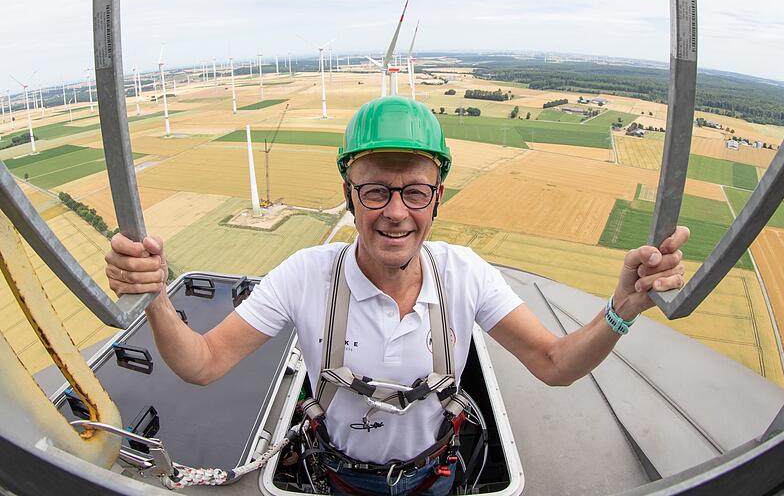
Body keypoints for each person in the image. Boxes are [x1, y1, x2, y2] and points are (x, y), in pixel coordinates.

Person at [106, 97, 688, 495]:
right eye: (376, 190)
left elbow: (555, 365)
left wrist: (622, 309)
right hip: (339, 480)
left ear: (438, 198)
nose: (394, 212)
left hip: (433, 478)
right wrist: (155, 296)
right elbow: (202, 364)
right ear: (349, 195)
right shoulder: (305, 275)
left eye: (414, 191)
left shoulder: (465, 275)